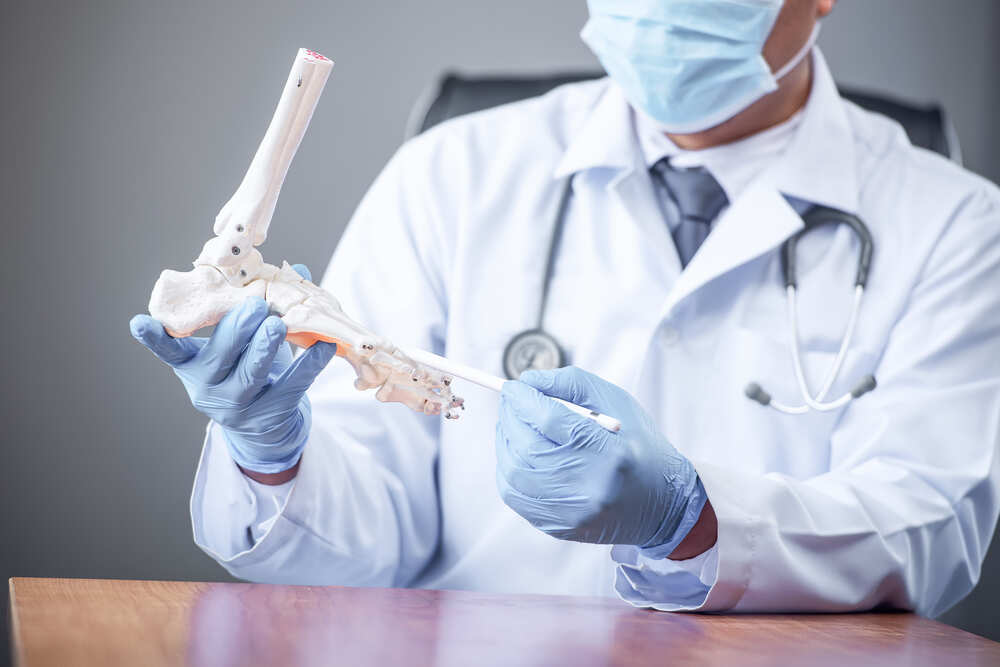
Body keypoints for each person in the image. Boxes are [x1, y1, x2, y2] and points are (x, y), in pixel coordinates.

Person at [131, 0, 1000, 614]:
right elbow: (365, 539)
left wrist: (693, 519)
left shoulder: (959, 225)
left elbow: (927, 522)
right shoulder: (453, 174)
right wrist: (273, 454)